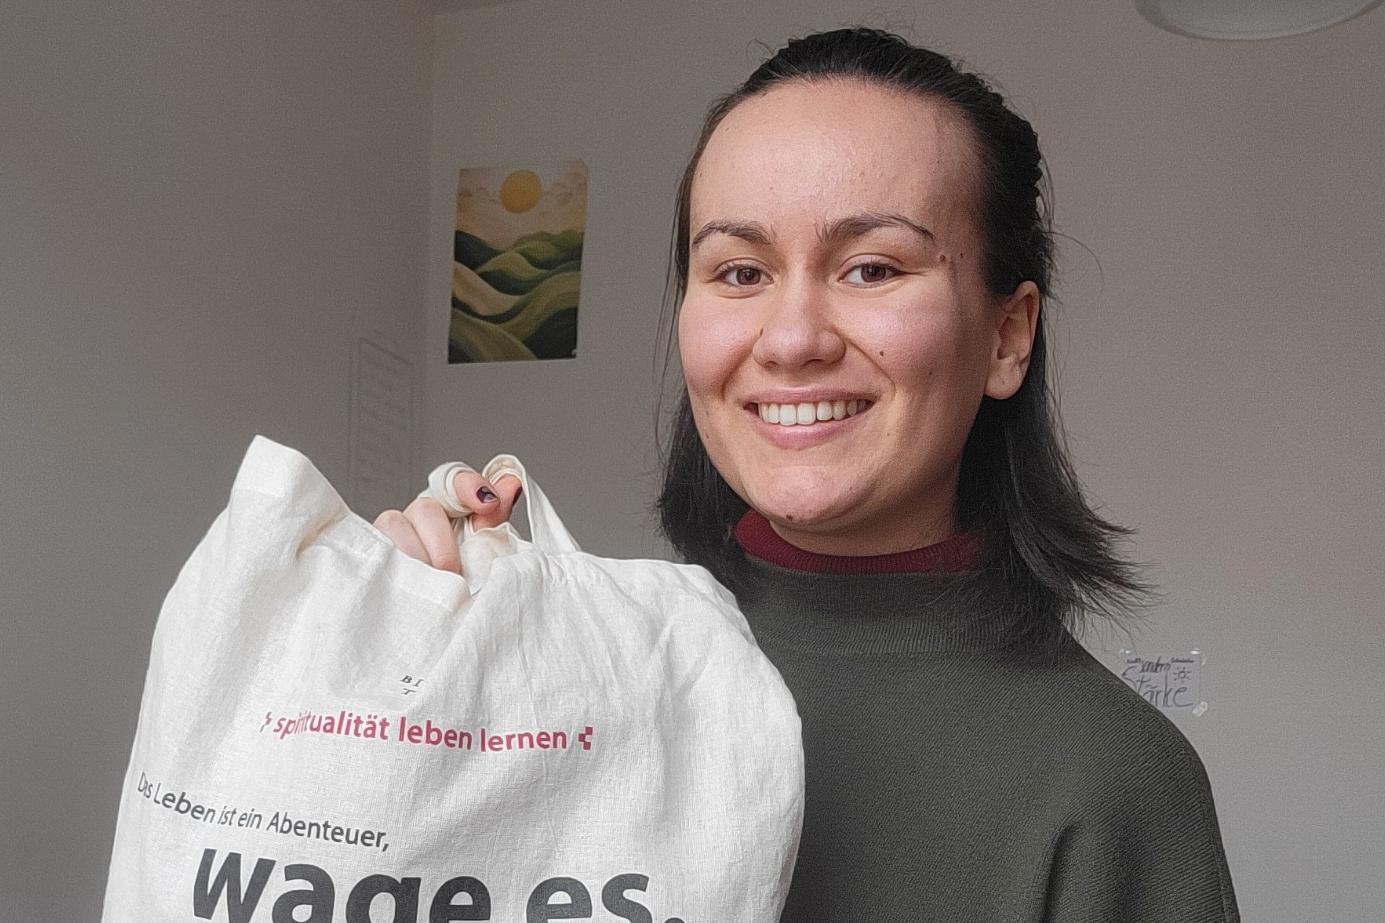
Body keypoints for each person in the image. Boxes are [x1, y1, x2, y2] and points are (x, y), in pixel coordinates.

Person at [375, 27, 1240, 922]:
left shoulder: (1111, 784)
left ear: (1006, 336)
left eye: (871, 267)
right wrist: (400, 676)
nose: (791, 340)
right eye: (741, 270)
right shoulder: (563, 680)